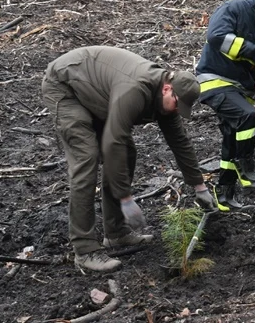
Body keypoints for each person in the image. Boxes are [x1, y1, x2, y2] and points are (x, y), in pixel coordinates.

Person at [41, 46, 217, 273]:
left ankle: (116, 233)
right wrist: (125, 198)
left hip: (96, 91)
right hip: (66, 86)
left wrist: (199, 185)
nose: (176, 111)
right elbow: (113, 142)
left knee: (128, 153)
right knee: (86, 158)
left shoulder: (167, 100)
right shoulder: (135, 90)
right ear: (167, 88)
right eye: (177, 104)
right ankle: (85, 250)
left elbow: (180, 142)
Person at [195, 0, 255, 211]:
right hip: (215, 79)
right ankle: (247, 170)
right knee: (247, 117)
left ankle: (224, 195)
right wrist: (254, 51)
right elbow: (216, 36)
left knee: (232, 138)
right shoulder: (235, 8)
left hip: (242, 89)